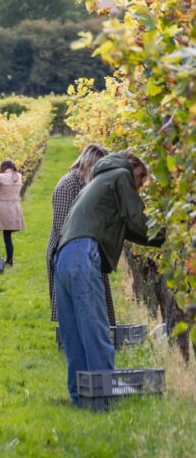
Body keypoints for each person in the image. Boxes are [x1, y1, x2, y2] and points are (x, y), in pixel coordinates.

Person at [54, 150, 165, 405]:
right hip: (83, 252)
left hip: (63, 255)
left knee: (75, 335)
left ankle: (81, 399)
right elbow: (137, 220)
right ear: (134, 166)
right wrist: (172, 233)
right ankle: (102, 401)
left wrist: (160, 241)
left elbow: (128, 229)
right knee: (95, 329)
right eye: (141, 179)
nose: (138, 187)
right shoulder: (121, 174)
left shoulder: (99, 180)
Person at [46, 144, 117, 326]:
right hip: (69, 253)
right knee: (77, 304)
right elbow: (62, 227)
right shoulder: (68, 185)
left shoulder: (88, 185)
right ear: (89, 165)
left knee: (93, 305)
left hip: (87, 251)